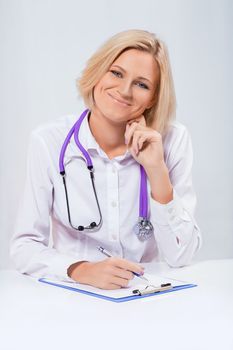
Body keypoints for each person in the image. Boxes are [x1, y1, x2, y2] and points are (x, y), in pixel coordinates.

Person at [10, 29, 201, 290]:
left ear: (153, 98)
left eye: (142, 84)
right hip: (75, 298)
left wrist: (156, 169)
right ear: (98, 72)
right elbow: (24, 247)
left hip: (150, 301)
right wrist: (81, 270)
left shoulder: (172, 140)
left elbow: (181, 255)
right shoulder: (49, 141)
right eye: (116, 73)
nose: (124, 91)